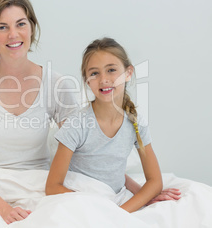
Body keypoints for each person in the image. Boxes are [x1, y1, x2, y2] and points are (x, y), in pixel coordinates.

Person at [0, 0, 79, 224]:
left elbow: (84, 149)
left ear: (31, 28)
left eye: (21, 24)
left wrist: (135, 187)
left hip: (41, 185)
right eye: (2, 27)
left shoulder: (57, 84)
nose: (13, 34)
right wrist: (2, 209)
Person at [45, 37, 180, 212]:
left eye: (111, 70)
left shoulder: (136, 123)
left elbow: (155, 181)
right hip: (81, 195)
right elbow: (53, 187)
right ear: (87, 81)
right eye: (94, 73)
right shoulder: (77, 125)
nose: (104, 79)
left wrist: (119, 212)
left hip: (115, 199)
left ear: (128, 73)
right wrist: (97, 209)